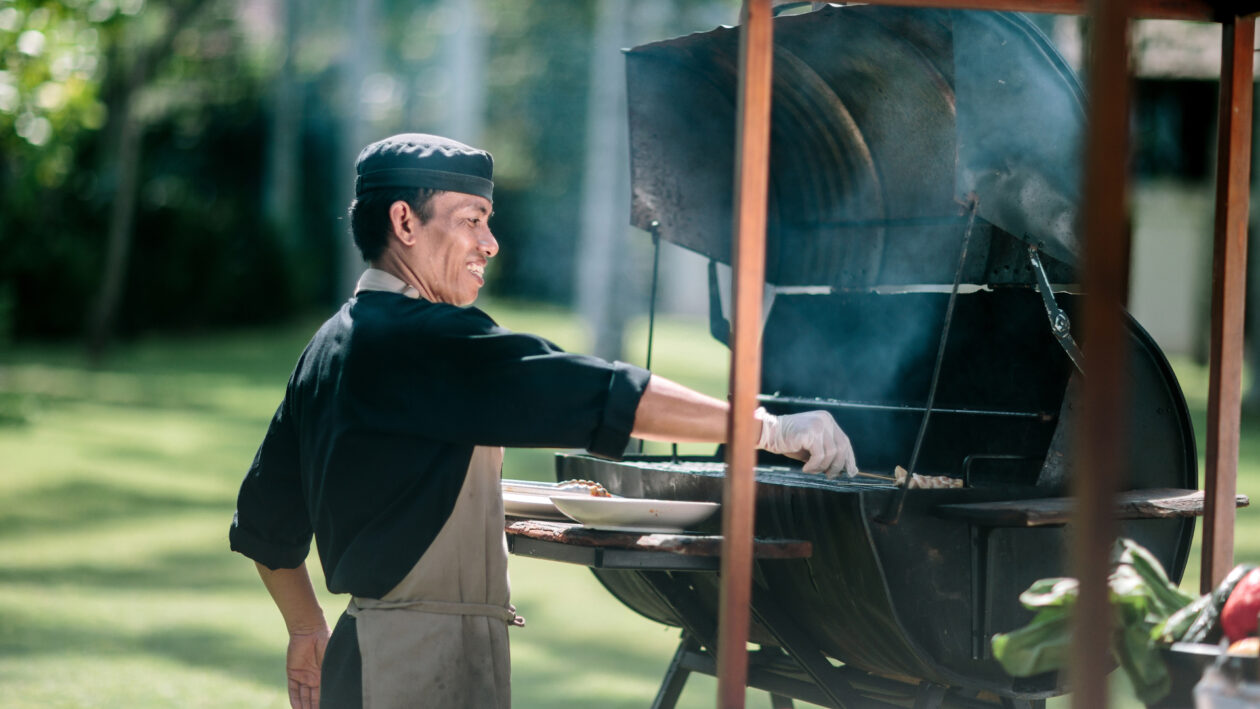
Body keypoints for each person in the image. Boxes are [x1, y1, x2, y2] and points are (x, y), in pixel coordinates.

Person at [229, 133, 858, 709]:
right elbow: (592, 392)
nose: (490, 243)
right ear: (404, 222)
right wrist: (764, 428)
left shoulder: (329, 347)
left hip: (373, 655)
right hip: (411, 669)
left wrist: (306, 628)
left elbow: (265, 522)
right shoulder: (422, 340)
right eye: (472, 219)